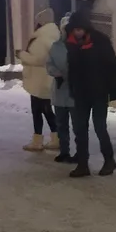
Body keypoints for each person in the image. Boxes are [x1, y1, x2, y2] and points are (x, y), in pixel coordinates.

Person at [64, 12, 116, 178]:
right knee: (80, 128)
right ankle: (82, 164)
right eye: (75, 30)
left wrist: (113, 89)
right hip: (81, 93)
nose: (77, 33)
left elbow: (112, 65)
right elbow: (72, 69)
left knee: (99, 127)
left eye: (80, 29)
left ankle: (109, 160)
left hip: (99, 91)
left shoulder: (101, 42)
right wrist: (72, 88)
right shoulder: (72, 44)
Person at [19, 8, 61, 151]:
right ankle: (56, 138)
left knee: (38, 110)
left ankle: (38, 140)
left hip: (39, 79)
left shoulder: (42, 38)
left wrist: (23, 55)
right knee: (46, 109)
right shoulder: (54, 36)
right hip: (46, 79)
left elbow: (39, 59)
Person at [45, 15, 75, 163]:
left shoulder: (80, 46)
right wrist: (56, 73)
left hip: (76, 93)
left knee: (78, 126)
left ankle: (81, 152)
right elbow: (49, 64)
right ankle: (64, 151)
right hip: (60, 90)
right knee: (61, 124)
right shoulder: (56, 46)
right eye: (65, 29)